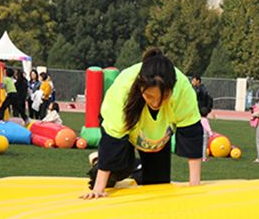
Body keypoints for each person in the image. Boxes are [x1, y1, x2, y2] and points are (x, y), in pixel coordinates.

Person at [83, 48, 204, 198]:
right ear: (140, 87)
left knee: (158, 185)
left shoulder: (182, 90)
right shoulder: (124, 89)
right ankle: (100, 164)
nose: (156, 103)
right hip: (124, 131)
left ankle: (138, 167)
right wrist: (98, 188)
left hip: (157, 136)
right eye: (149, 96)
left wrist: (195, 185)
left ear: (172, 88)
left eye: (164, 97)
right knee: (119, 167)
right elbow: (112, 141)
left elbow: (191, 134)